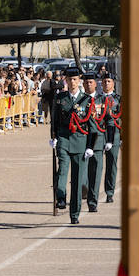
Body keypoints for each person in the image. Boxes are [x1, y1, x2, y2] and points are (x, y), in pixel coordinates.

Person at [51, 66, 93, 224]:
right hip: (64, 139)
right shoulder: (60, 98)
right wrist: (53, 136)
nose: (72, 82)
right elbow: (55, 120)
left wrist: (90, 146)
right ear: (66, 81)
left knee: (77, 180)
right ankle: (61, 198)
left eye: (75, 79)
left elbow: (91, 126)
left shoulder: (87, 100)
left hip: (80, 141)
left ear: (79, 81)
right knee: (62, 170)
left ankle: (74, 214)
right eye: (70, 80)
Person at [81, 73, 106, 212]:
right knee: (82, 173)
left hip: (97, 140)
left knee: (95, 173)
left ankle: (93, 201)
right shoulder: (79, 100)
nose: (88, 84)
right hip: (81, 140)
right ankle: (83, 191)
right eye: (86, 82)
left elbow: (108, 119)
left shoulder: (102, 99)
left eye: (91, 82)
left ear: (96, 84)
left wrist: (110, 140)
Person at [101, 75, 121, 204]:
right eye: (104, 81)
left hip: (114, 134)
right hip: (98, 134)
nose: (106, 84)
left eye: (109, 81)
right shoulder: (96, 99)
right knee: (93, 164)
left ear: (113, 84)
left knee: (111, 164)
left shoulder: (119, 99)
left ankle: (109, 192)